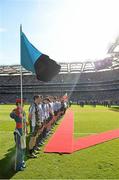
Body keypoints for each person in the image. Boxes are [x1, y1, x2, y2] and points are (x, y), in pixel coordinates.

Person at [10, 98, 27, 171]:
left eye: (23, 103)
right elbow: (11, 115)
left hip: (23, 131)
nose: (23, 104)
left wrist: (26, 130)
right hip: (18, 132)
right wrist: (17, 111)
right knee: (19, 149)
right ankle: (17, 166)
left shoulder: (23, 111)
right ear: (18, 104)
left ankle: (21, 161)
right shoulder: (15, 111)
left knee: (23, 148)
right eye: (21, 103)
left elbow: (25, 122)